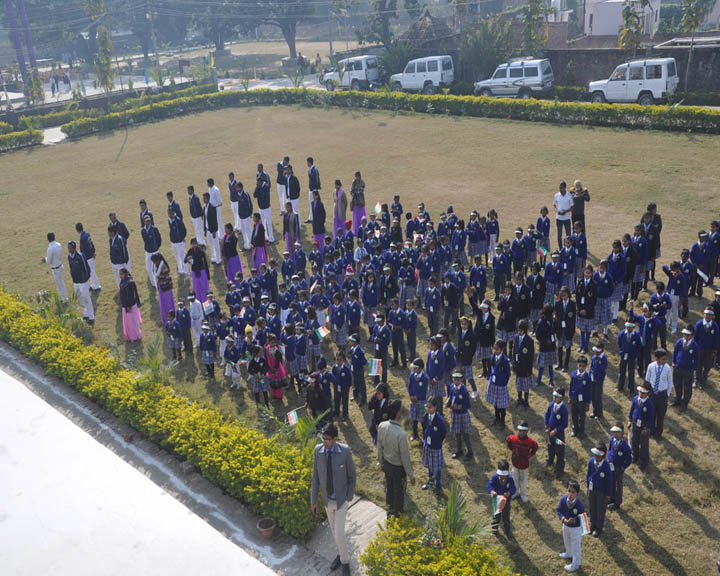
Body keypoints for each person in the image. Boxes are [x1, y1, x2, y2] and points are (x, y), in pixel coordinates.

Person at [311, 423, 356, 576]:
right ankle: (340, 554)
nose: (324, 442)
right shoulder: (318, 451)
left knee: (339, 534)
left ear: (335, 439)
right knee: (334, 532)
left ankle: (345, 562)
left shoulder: (345, 451)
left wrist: (349, 496)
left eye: (327, 439)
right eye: (323, 439)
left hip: (341, 501)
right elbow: (315, 478)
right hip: (327, 501)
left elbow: (352, 476)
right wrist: (313, 501)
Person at [377, 399, 415, 518]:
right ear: (398, 413)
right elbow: (405, 458)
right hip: (398, 469)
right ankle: (398, 516)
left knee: (389, 489)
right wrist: (411, 475)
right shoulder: (401, 434)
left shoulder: (382, 426)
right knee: (399, 493)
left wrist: (381, 462)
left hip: (387, 465)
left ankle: (389, 512)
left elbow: (379, 447)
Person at [505, 421, 538, 504]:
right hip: (515, 464)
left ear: (527, 431)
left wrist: (530, 456)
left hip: (524, 466)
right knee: (515, 479)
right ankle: (515, 492)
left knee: (523, 481)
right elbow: (508, 441)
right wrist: (512, 450)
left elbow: (535, 447)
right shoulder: (513, 438)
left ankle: (523, 494)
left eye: (523, 431)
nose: (521, 432)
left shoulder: (530, 442)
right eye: (519, 430)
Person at [557, 479, 585, 573]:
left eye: (573, 492)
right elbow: (559, 510)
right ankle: (569, 553)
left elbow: (582, 517)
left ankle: (576, 564)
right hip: (565, 525)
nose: (570, 494)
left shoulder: (579, 505)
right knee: (566, 540)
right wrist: (563, 518)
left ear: (577, 494)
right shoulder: (563, 499)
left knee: (576, 545)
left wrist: (575, 520)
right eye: (569, 491)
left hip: (575, 529)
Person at [645, 348, 672, 439]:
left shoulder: (667, 368)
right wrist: (647, 393)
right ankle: (651, 430)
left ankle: (658, 433)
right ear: (657, 358)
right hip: (652, 393)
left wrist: (667, 394)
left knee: (660, 415)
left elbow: (670, 383)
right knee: (651, 413)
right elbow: (647, 380)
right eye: (663, 359)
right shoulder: (651, 366)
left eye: (665, 359)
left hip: (662, 394)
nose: (665, 361)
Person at [586, 443, 612, 537]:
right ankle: (592, 525)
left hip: (601, 492)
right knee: (592, 508)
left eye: (598, 455)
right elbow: (588, 474)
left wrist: (608, 495)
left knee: (600, 510)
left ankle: (598, 528)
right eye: (595, 454)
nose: (596, 457)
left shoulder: (606, 466)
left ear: (603, 456)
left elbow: (609, 482)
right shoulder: (591, 462)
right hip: (592, 489)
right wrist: (588, 485)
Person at [421, 397, 446, 494]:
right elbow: (424, 427)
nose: (427, 409)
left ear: (435, 407)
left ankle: (438, 485)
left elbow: (443, 433)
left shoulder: (439, 420)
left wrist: (437, 441)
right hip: (428, 444)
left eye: (430, 407)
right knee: (429, 464)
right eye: (426, 407)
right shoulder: (426, 416)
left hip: (436, 446)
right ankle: (431, 480)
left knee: (437, 466)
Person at [672, 325, 699, 410]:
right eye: (684, 334)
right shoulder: (679, 342)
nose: (685, 336)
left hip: (688, 370)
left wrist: (693, 368)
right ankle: (678, 399)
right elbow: (675, 352)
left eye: (687, 335)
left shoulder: (694, 346)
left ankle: (685, 403)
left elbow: (696, 359)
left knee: (687, 387)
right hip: (678, 367)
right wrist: (673, 362)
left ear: (692, 335)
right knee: (677, 384)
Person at [67, 241, 94, 324]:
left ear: (74, 248)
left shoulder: (80, 256)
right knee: (79, 298)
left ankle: (91, 316)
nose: (69, 249)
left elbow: (87, 268)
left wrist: (86, 278)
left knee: (86, 298)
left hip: (83, 281)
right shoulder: (69, 256)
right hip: (76, 281)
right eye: (68, 248)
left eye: (70, 248)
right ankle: (85, 313)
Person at [448, 372, 474, 460]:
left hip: (462, 415)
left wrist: (459, 406)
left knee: (465, 434)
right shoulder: (452, 386)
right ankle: (460, 450)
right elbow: (451, 396)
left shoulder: (464, 391)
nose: (456, 381)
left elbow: (468, 405)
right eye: (454, 379)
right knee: (457, 433)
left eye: (458, 380)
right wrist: (448, 401)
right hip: (455, 414)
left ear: (461, 380)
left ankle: (470, 452)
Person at [628, 383, 654, 471]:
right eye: (640, 391)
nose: (641, 394)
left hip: (644, 428)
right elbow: (632, 409)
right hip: (635, 424)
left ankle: (643, 462)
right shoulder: (635, 399)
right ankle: (634, 456)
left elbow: (650, 418)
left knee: (643, 445)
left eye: (644, 393)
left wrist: (646, 428)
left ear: (648, 393)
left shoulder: (649, 404)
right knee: (634, 441)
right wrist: (630, 420)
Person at [487, 459, 516, 537]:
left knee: (506, 518)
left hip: (506, 502)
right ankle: (494, 529)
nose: (502, 476)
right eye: (500, 474)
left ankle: (507, 531)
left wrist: (509, 493)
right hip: (497, 502)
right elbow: (490, 485)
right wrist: (492, 491)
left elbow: (513, 488)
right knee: (496, 516)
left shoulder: (510, 479)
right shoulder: (495, 477)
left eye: (504, 474)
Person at [608, 422, 632, 511]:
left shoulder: (625, 445)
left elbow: (629, 459)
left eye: (618, 432)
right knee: (611, 482)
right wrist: (609, 459)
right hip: (611, 465)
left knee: (619, 485)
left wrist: (623, 466)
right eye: (614, 432)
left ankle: (617, 503)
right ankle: (612, 498)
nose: (615, 434)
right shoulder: (612, 440)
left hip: (619, 468)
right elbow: (610, 450)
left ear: (622, 433)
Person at [486, 340, 511, 428]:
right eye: (494, 349)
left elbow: (508, 373)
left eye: (497, 349)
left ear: (502, 350)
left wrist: (504, 382)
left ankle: (502, 421)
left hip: (501, 385)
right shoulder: (493, 357)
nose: (495, 351)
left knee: (502, 405)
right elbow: (491, 366)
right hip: (493, 383)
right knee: (495, 403)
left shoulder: (505, 360)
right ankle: (497, 418)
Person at [545, 387, 568, 474]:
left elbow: (565, 424)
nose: (554, 398)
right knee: (550, 447)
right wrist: (546, 425)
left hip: (559, 435)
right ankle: (550, 460)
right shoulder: (551, 404)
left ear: (562, 398)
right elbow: (547, 414)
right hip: (550, 432)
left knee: (560, 451)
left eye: (557, 397)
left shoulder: (564, 409)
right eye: (554, 396)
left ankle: (559, 468)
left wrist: (556, 430)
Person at [694, 307, 719, 388]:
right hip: (699, 349)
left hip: (709, 350)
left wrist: (714, 350)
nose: (708, 316)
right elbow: (695, 337)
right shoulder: (699, 324)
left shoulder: (715, 326)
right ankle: (696, 379)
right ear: (704, 314)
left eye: (710, 315)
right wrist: (695, 347)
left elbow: (716, 339)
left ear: (713, 316)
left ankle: (703, 381)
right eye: (707, 314)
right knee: (698, 364)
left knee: (707, 366)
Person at [513, 319, 535, 408]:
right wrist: (514, 363)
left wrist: (529, 370)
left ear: (525, 331)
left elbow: (531, 357)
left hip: (525, 367)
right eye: (518, 330)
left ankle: (526, 401)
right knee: (518, 384)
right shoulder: (516, 338)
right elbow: (514, 351)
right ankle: (519, 399)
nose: (519, 332)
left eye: (521, 331)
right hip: (518, 366)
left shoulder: (529, 341)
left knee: (525, 386)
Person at [569, 356, 592, 438]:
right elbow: (571, 386)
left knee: (582, 417)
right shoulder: (574, 374)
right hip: (574, 399)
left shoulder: (587, 377)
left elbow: (589, 391)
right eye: (580, 365)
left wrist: (588, 403)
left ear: (586, 366)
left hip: (583, 401)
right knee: (574, 415)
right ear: (577, 365)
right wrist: (570, 397)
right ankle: (575, 429)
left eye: (583, 366)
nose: (581, 367)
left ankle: (581, 432)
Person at [42, 232, 68, 302]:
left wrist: (45, 259)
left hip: (55, 268)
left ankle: (65, 299)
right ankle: (61, 298)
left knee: (60, 284)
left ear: (48, 239)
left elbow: (49, 261)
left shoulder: (50, 249)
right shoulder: (59, 245)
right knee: (59, 284)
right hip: (59, 265)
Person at [75, 223, 101, 291]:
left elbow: (83, 249)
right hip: (90, 255)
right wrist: (93, 252)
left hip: (88, 257)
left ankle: (97, 286)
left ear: (77, 230)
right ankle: (93, 285)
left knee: (91, 271)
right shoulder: (87, 234)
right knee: (90, 271)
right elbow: (91, 244)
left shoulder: (82, 238)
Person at [151, 253, 175, 325]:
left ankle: (171, 318)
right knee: (163, 304)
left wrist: (159, 277)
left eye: (154, 261)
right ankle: (165, 319)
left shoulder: (163, 266)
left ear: (158, 260)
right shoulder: (156, 266)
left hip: (166, 287)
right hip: (161, 287)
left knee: (168, 303)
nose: (154, 263)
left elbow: (164, 275)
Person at [119, 268, 142, 341]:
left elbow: (132, 296)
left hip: (130, 306)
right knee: (127, 323)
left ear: (125, 274)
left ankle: (135, 337)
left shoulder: (130, 283)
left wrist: (128, 306)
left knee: (132, 322)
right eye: (120, 274)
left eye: (121, 274)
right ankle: (129, 336)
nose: (120, 276)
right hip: (125, 306)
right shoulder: (123, 281)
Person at [184, 239, 210, 303]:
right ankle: (198, 301)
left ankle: (205, 301)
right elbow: (185, 260)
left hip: (201, 270)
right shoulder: (190, 251)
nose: (194, 245)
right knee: (196, 288)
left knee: (203, 287)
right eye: (193, 244)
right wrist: (188, 259)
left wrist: (208, 274)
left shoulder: (201, 251)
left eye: (195, 243)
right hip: (194, 271)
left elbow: (205, 263)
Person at [141, 215, 162, 288]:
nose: (148, 222)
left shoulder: (154, 229)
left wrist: (156, 247)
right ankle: (154, 284)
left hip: (155, 251)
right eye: (147, 221)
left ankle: (159, 282)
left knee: (157, 268)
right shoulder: (142, 230)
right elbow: (145, 240)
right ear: (144, 222)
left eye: (149, 221)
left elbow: (159, 239)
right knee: (149, 269)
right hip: (148, 252)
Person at [254, 176, 275, 243]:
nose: (257, 184)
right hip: (260, 208)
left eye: (258, 183)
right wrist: (257, 188)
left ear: (261, 182)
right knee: (262, 224)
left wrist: (259, 189)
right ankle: (265, 238)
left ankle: (271, 239)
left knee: (269, 223)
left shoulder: (266, 187)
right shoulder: (258, 187)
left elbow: (263, 196)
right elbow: (254, 195)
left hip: (266, 208)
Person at [553, 181, 574, 250]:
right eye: (560, 188)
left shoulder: (569, 196)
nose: (560, 189)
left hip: (567, 219)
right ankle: (561, 249)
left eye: (562, 188)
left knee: (568, 235)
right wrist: (557, 211)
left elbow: (572, 207)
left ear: (565, 188)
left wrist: (566, 211)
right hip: (559, 219)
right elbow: (554, 205)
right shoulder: (556, 195)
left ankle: (569, 248)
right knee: (559, 235)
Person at [167, 207, 188, 276]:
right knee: (176, 257)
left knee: (183, 257)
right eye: (168, 213)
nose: (169, 215)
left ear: (174, 212)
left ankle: (186, 272)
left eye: (170, 213)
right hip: (173, 242)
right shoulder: (169, 220)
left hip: (179, 242)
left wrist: (181, 238)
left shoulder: (178, 220)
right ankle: (180, 270)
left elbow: (184, 231)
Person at [202, 192, 221, 265]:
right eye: (203, 198)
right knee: (211, 245)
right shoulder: (204, 207)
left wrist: (214, 231)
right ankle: (214, 258)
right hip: (207, 230)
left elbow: (214, 220)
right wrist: (205, 230)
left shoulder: (212, 207)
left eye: (205, 198)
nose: (204, 200)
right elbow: (205, 220)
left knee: (216, 245)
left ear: (208, 198)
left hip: (212, 230)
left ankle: (218, 260)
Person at [589, 343, 607, 419]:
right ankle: (594, 411)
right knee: (593, 396)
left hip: (598, 380)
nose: (595, 353)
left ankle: (599, 414)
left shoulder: (603, 359)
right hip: (592, 379)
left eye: (597, 351)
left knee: (597, 398)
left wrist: (597, 361)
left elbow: (601, 370)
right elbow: (591, 367)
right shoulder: (594, 357)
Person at [236, 180, 254, 250]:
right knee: (243, 231)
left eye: (237, 187)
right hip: (241, 216)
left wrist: (249, 214)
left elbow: (249, 205)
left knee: (248, 231)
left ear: (241, 187)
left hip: (246, 216)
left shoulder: (245, 194)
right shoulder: (238, 194)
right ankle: (246, 245)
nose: (236, 189)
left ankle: (251, 246)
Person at [306, 157, 321, 223]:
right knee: (311, 204)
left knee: (314, 204)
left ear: (309, 162)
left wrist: (316, 189)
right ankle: (311, 218)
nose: (307, 164)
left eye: (307, 162)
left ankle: (314, 218)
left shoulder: (314, 170)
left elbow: (317, 179)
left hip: (314, 190)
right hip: (312, 189)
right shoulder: (310, 169)